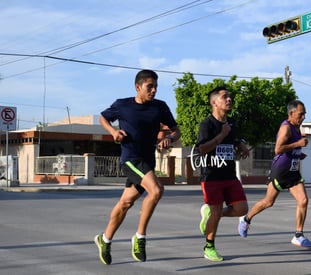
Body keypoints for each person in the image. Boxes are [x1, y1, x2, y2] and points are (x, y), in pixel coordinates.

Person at [94, 69, 181, 265]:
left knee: (126, 203)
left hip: (147, 161)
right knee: (157, 190)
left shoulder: (160, 107)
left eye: (156, 86)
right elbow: (103, 117)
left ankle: (105, 239)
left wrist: (168, 138)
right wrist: (113, 132)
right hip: (131, 160)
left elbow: (176, 131)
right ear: (138, 87)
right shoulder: (123, 105)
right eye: (150, 86)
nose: (154, 90)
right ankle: (140, 237)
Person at [238, 99, 311, 248]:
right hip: (280, 172)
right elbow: (278, 149)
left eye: (305, 114)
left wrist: (298, 154)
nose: (303, 117)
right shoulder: (286, 128)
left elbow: (290, 149)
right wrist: (298, 144)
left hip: (293, 172)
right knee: (268, 202)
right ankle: (246, 219)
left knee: (303, 200)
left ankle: (298, 235)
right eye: (301, 114)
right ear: (291, 113)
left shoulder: (297, 127)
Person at [196, 86, 250, 261]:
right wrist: (221, 135)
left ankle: (210, 213)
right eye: (224, 97)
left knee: (242, 208)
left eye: (230, 97)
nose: (229, 99)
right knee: (217, 212)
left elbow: (234, 138)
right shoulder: (207, 124)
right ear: (214, 102)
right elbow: (202, 148)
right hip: (211, 176)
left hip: (229, 174)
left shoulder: (231, 123)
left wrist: (240, 144)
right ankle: (209, 247)